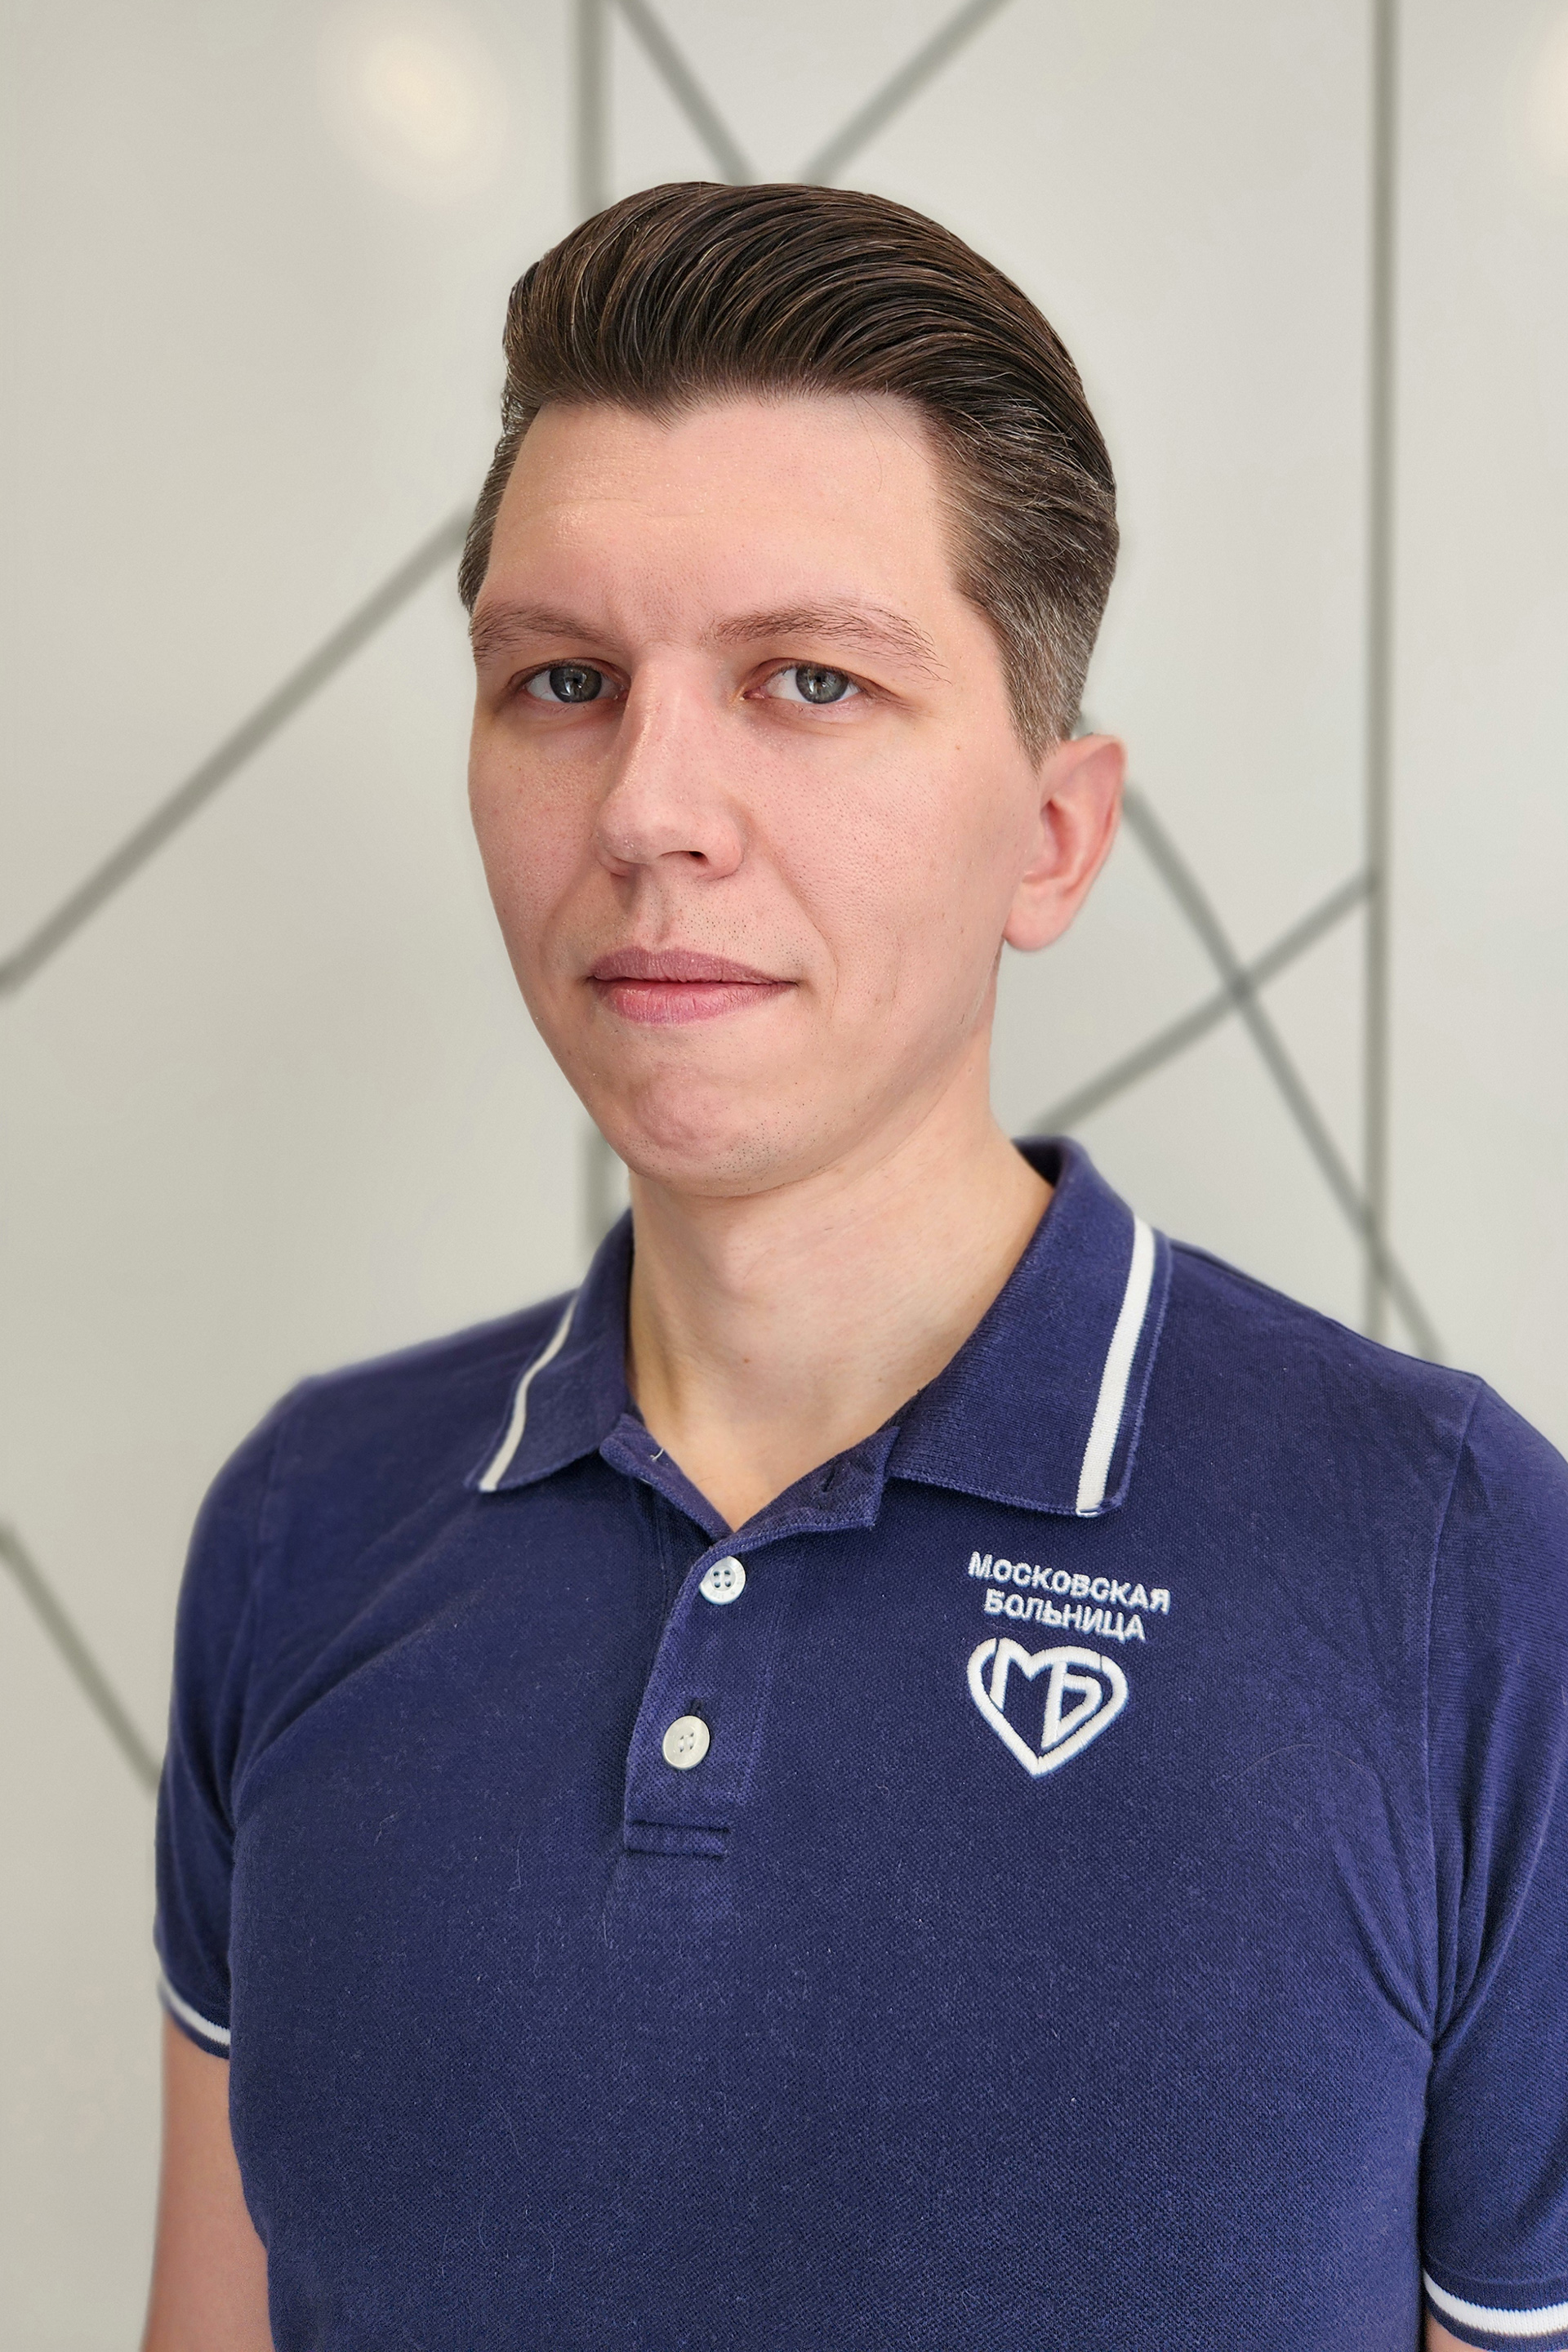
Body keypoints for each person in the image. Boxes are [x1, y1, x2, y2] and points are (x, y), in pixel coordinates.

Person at [142, 182, 1566, 2352]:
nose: (651, 809)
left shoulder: (1458, 1573)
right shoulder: (302, 1529)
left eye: (809, 680)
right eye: (562, 681)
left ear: (1054, 836)